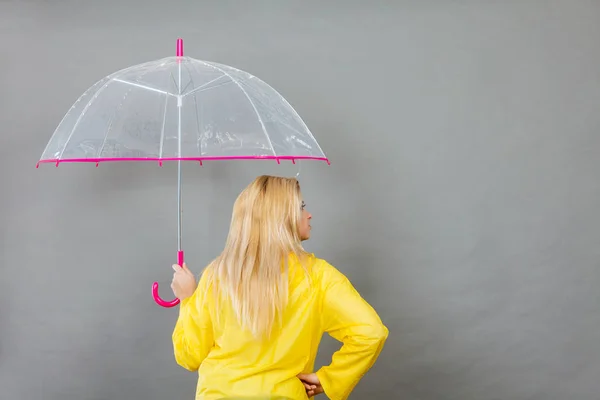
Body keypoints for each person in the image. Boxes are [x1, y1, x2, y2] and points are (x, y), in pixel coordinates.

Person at [170, 175, 388, 400]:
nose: (309, 214)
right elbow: (371, 333)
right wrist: (330, 378)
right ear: (280, 217)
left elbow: (189, 357)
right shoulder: (317, 276)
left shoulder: (217, 275)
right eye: (301, 207)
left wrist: (188, 299)